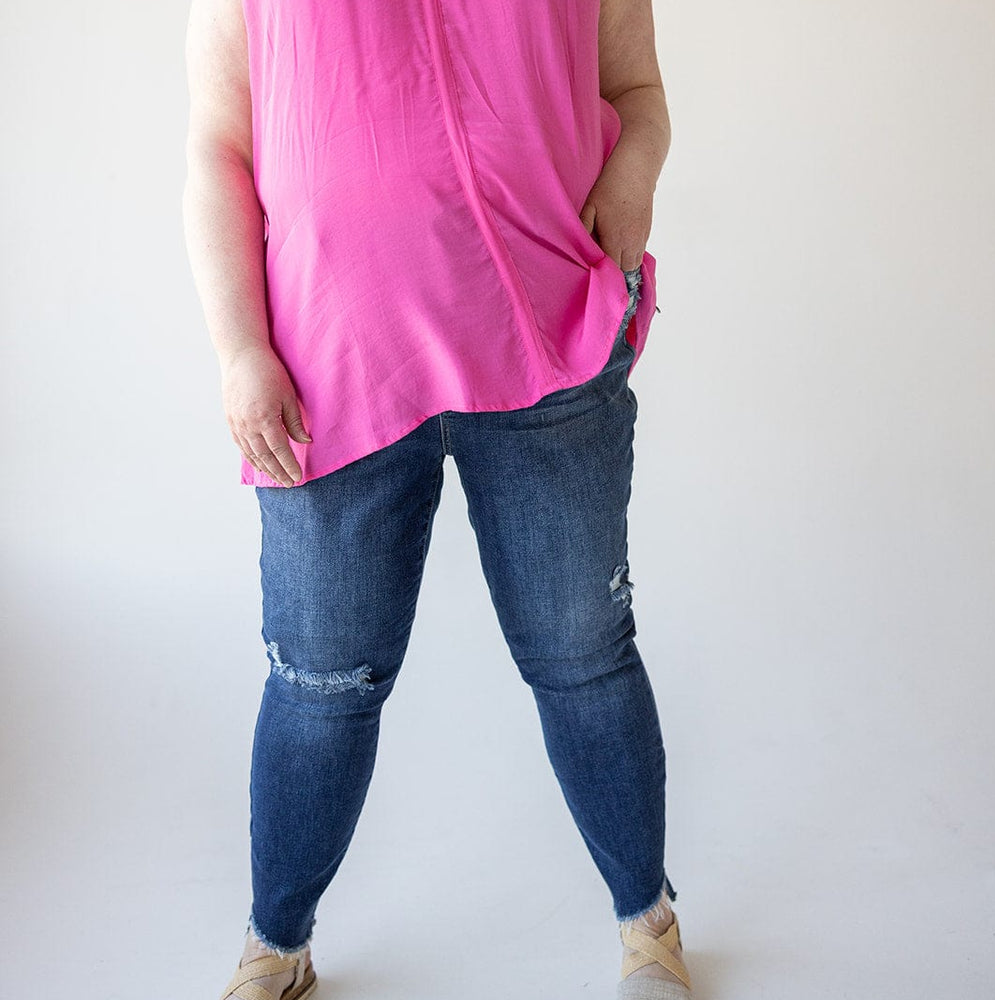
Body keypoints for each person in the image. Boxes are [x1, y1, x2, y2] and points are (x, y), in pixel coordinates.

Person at [182, 0, 692, 997]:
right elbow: (218, 144)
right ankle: (274, 947)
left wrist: (631, 177)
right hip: (330, 361)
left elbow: (637, 93)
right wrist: (239, 348)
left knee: (583, 655)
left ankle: (649, 925)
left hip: (550, 336)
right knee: (321, 681)